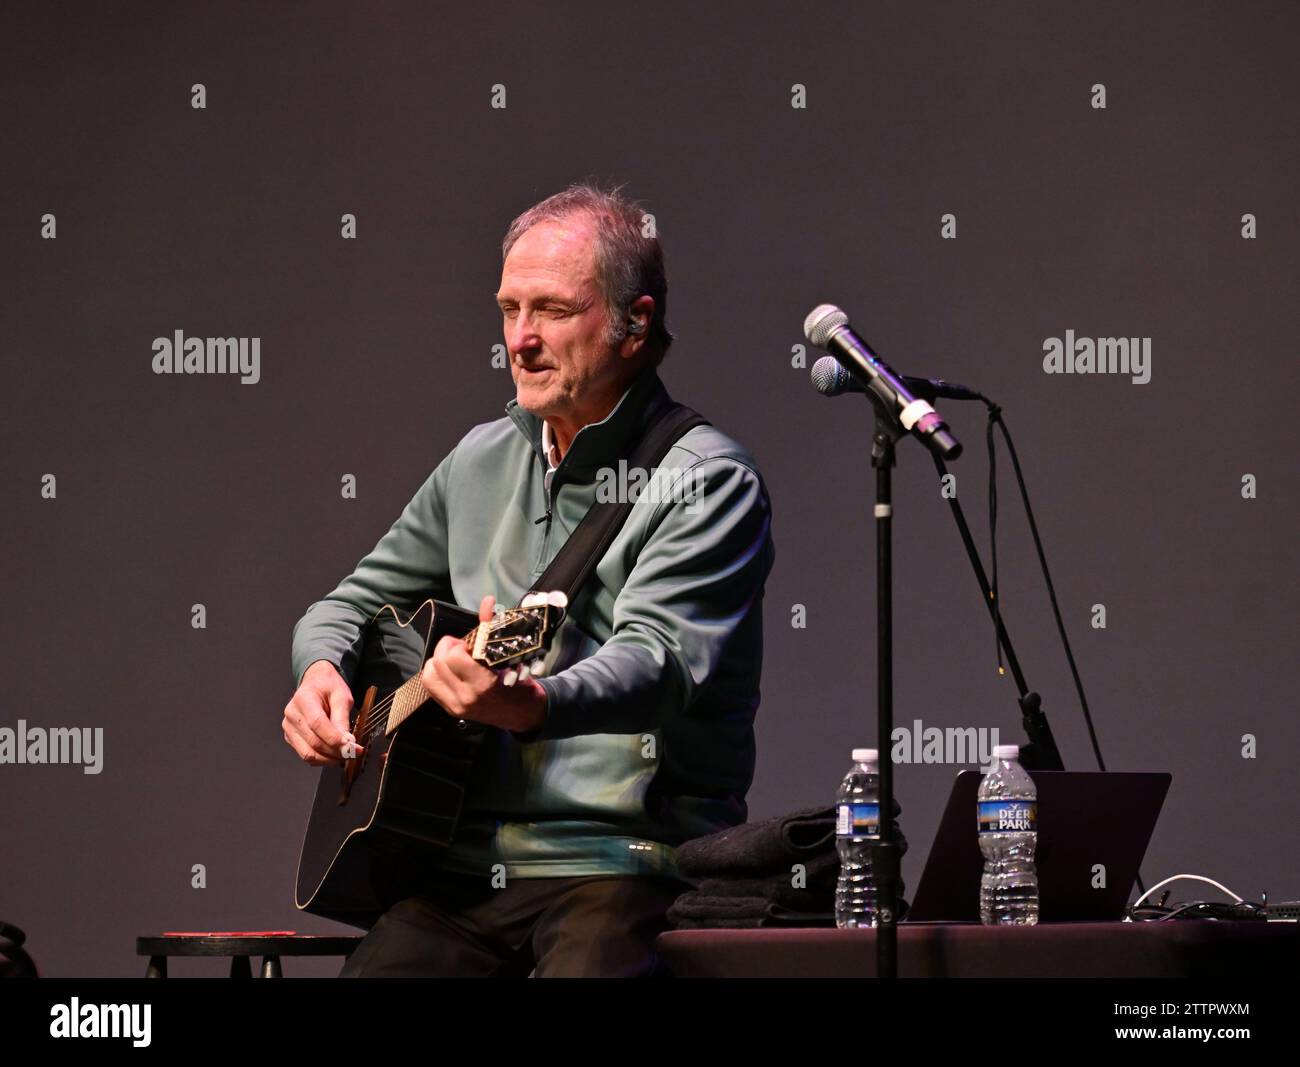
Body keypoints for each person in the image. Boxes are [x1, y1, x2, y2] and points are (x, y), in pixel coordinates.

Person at [282, 181, 775, 977]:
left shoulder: (705, 478)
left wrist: (531, 703)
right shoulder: (481, 459)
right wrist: (319, 670)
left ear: (634, 323)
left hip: (624, 866)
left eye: (550, 309)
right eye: (510, 310)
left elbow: (660, 661)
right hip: (467, 871)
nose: (521, 339)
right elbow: (349, 602)